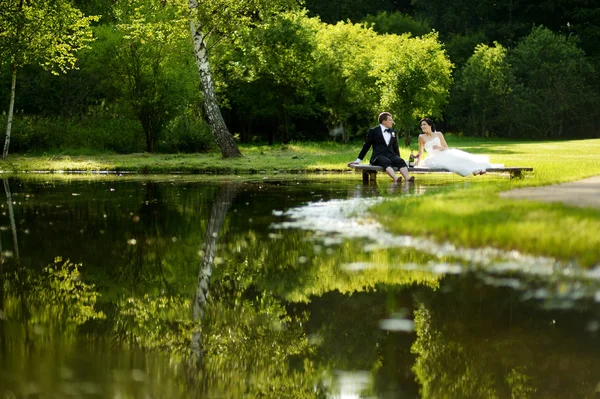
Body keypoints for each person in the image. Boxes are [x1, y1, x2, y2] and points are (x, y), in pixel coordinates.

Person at [416, 117, 501, 177]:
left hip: (444, 152)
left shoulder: (438, 134)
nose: (422, 126)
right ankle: (473, 170)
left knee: (460, 158)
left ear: (430, 125)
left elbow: (446, 147)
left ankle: (477, 169)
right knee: (450, 164)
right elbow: (420, 152)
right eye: (421, 125)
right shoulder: (421, 137)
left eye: (424, 124)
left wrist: (438, 147)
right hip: (435, 157)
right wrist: (417, 162)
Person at [347, 112, 413, 184]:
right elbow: (366, 146)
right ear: (384, 122)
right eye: (390, 120)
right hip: (377, 156)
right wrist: (358, 161)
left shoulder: (393, 132)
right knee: (386, 161)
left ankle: (407, 178)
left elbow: (395, 147)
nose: (392, 122)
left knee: (401, 161)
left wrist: (397, 158)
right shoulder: (373, 131)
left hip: (390, 155)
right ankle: (395, 178)